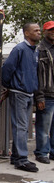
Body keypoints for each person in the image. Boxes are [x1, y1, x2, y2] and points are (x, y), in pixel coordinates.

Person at [2, 22, 41, 172]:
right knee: (21, 126)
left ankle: (17, 156)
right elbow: (7, 68)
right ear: (26, 33)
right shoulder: (19, 49)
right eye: (35, 30)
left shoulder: (34, 51)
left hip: (29, 93)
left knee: (24, 128)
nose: (39, 32)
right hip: (19, 93)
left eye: (39, 30)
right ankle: (21, 160)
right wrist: (10, 86)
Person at [34, 21, 54, 164]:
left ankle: (52, 152)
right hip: (46, 94)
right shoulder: (40, 49)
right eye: (50, 30)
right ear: (44, 32)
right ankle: (42, 152)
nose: (53, 32)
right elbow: (37, 75)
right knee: (43, 126)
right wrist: (39, 96)